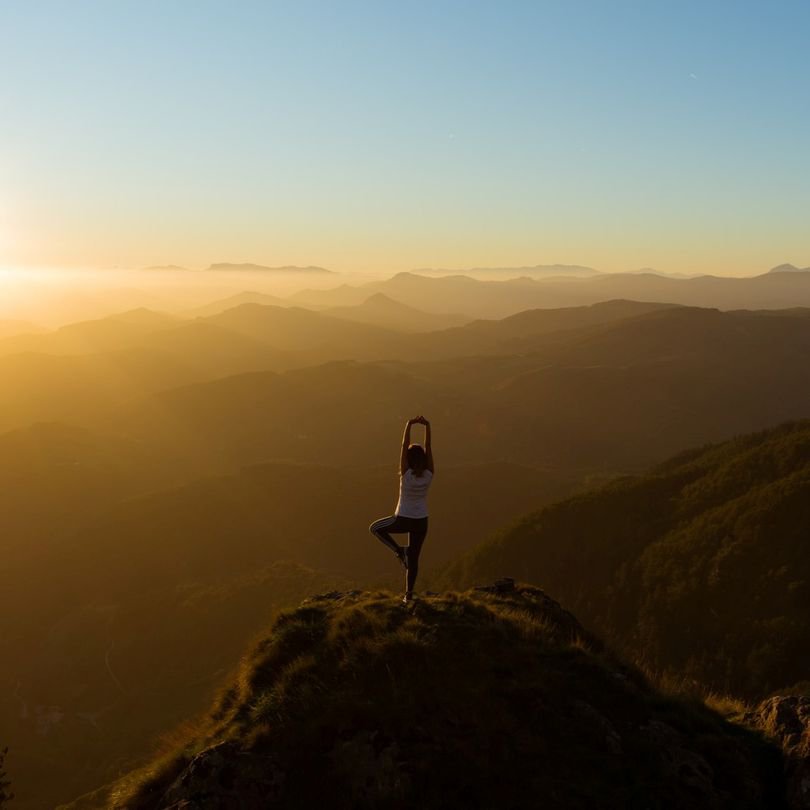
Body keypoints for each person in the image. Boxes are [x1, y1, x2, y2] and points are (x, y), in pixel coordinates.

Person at [369, 416, 434, 605]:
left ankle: (399, 551)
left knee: (375, 528)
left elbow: (403, 444)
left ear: (408, 459)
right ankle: (409, 595)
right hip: (422, 521)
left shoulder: (405, 474)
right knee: (414, 559)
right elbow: (428, 446)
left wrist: (409, 424)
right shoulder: (429, 474)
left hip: (403, 518)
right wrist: (427, 426)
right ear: (423, 458)